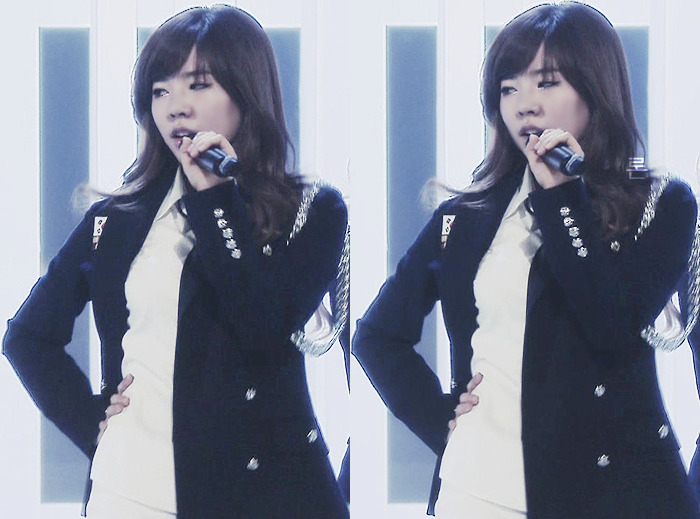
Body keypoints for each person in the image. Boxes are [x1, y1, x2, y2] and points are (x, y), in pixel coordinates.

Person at [353, 2, 700, 518]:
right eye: (508, 88)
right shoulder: (465, 216)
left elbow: (610, 325)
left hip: (614, 488)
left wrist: (563, 196)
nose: (524, 105)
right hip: (479, 490)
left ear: (596, 88)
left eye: (547, 82)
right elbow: (376, 336)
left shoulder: (659, 204)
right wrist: (442, 418)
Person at [3, 5, 349, 518]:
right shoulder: (117, 218)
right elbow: (28, 337)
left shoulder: (311, 210)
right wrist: (94, 423)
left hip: (263, 492)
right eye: (160, 90)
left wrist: (217, 198)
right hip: (130, 492)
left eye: (198, 85)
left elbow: (261, 326)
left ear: (247, 91)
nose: (175, 107)